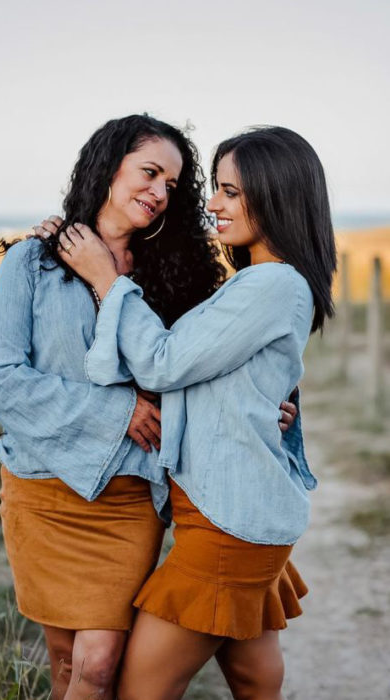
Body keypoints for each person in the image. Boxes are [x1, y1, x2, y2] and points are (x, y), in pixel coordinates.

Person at [0, 115, 297, 700]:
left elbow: (216, 359)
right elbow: (0, 381)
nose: (159, 192)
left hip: (131, 495)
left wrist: (269, 407)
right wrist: (118, 413)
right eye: (149, 172)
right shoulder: (30, 263)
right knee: (68, 664)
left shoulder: (180, 275)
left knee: (99, 664)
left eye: (173, 185)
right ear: (109, 165)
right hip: (41, 488)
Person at [53, 125, 336, 700]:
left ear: (276, 193)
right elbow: (238, 374)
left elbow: (163, 364)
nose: (211, 203)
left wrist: (107, 279)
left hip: (227, 527)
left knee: (139, 689)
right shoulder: (264, 281)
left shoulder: (273, 284)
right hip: (231, 515)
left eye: (230, 191)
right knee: (255, 676)